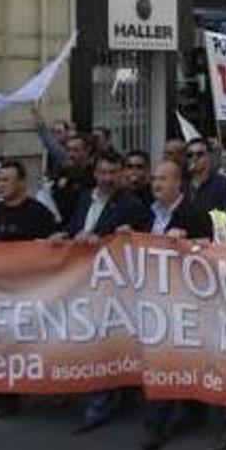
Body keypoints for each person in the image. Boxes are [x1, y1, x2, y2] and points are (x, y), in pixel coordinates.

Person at [62, 151, 153, 435]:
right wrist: (67, 237)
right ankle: (111, 393)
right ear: (95, 173)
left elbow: (143, 238)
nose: (108, 178)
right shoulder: (84, 199)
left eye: (113, 173)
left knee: (104, 341)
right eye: (103, 172)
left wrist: (113, 237)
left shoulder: (132, 205)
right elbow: (74, 228)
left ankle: (99, 405)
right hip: (81, 282)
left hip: (113, 286)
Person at [0, 160, 57, 421]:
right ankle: (4, 400)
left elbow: (57, 243)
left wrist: (53, 242)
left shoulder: (39, 212)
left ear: (21, 182)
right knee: (2, 344)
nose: (1, 185)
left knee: (38, 343)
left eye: (7, 180)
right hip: (0, 291)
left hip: (33, 290)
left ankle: (54, 388)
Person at [140, 158, 202, 450]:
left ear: (179, 183)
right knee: (164, 360)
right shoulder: (148, 214)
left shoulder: (193, 214)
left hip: (182, 301)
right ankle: (189, 410)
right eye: (154, 179)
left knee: (166, 360)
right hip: (154, 298)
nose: (156, 184)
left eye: (163, 179)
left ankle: (156, 426)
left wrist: (189, 243)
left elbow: (209, 250)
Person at [185, 137, 226, 239]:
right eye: (190, 155)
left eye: (199, 154)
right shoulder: (182, 185)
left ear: (209, 156)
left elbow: (222, 222)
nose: (194, 158)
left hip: (209, 247)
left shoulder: (221, 184)